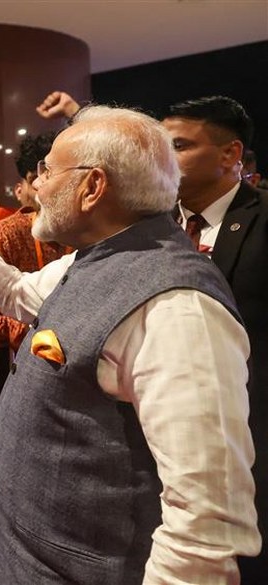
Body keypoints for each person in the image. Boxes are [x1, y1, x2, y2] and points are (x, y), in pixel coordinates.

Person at [0, 106, 260, 583]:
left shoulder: (178, 306)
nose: (37, 186)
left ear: (93, 187)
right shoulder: (97, 258)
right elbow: (14, 291)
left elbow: (205, 525)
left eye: (48, 172)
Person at [162, 95, 268, 583]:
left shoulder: (262, 216)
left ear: (230, 154)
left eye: (179, 146)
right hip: (169, 431)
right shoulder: (154, 228)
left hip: (253, 428)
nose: (164, 158)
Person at [0, 132, 70, 351]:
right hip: (27, 363)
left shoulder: (87, 231)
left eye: (53, 174)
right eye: (36, 176)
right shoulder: (9, 232)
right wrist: (42, 324)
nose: (42, 184)